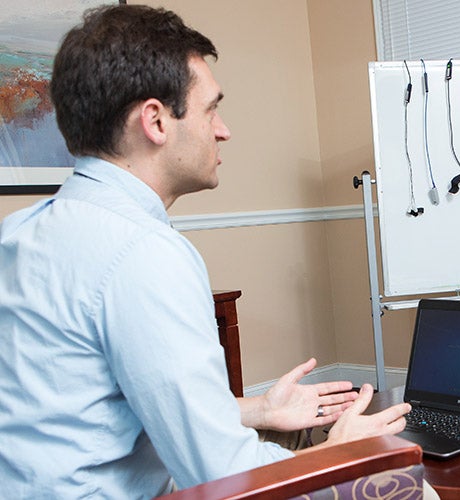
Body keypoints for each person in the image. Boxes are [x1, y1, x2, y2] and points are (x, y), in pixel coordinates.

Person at [0, 5, 409, 497]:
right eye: (211, 108)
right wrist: (338, 452)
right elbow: (225, 478)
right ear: (155, 121)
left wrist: (257, 410)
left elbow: (83, 409)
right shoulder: (143, 254)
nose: (223, 130)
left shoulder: (19, 233)